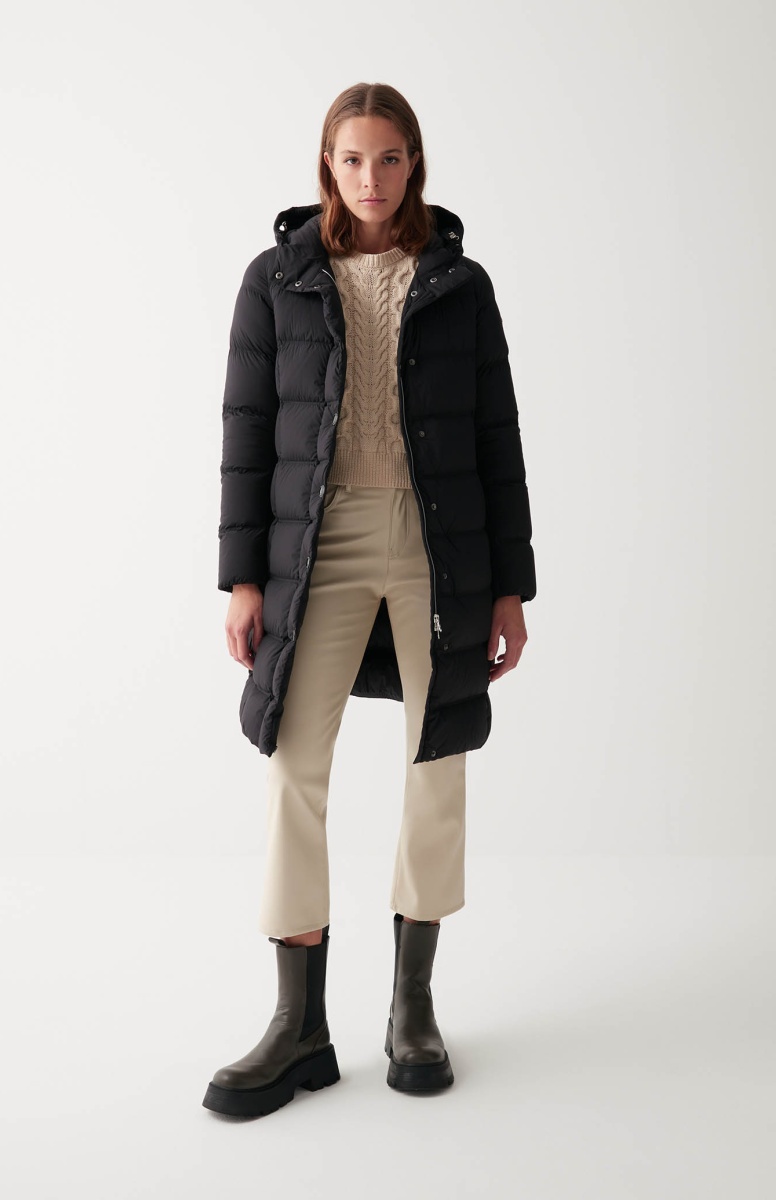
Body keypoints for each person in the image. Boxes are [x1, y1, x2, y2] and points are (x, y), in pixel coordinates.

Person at [203, 82, 536, 1117]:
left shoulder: (461, 284)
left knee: (438, 762)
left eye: (390, 158)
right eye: (353, 158)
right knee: (295, 764)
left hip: (440, 547)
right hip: (319, 544)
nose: (371, 177)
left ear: (414, 163)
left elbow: (496, 436)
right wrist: (244, 579)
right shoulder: (277, 281)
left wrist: (511, 586)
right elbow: (247, 431)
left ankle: (412, 1009)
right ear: (327, 165)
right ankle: (298, 1026)